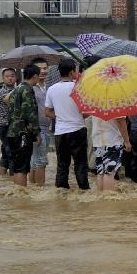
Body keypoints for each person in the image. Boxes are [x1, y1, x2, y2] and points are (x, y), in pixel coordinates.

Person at [44, 58, 90, 190]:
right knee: (80, 164)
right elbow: (86, 112)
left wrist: (59, 116)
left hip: (60, 132)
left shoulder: (52, 89)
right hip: (78, 130)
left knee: (62, 165)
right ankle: (84, 190)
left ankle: (61, 192)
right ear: (71, 72)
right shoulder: (78, 87)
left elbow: (47, 112)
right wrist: (80, 117)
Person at [7, 64, 41, 187]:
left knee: (17, 166)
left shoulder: (17, 88)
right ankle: (22, 196)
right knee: (22, 168)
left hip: (12, 132)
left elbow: (7, 101)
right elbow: (29, 114)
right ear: (35, 76)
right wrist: (37, 133)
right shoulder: (27, 90)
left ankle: (18, 195)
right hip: (22, 133)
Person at [30, 59, 50, 186]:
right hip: (36, 128)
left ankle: (32, 189)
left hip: (47, 127)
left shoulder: (48, 86)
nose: (43, 71)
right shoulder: (29, 86)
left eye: (45, 68)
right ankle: (40, 190)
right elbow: (8, 99)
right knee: (41, 161)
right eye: (40, 68)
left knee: (35, 160)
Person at [0, 68, 17, 176]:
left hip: (12, 125)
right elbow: (10, 102)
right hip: (5, 126)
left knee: (5, 151)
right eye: (7, 76)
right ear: (3, 79)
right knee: (11, 152)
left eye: (12, 75)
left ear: (16, 77)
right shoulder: (2, 91)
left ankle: (2, 177)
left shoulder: (15, 89)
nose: (10, 78)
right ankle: (14, 176)